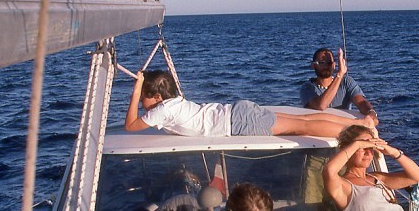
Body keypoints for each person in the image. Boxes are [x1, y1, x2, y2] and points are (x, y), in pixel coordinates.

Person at [125, 70, 376, 139]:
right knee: (305, 121)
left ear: (156, 96)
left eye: (145, 97)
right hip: (237, 112)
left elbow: (131, 126)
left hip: (237, 121)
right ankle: (359, 123)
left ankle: (358, 128)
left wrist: (136, 91)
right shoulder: (173, 104)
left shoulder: (163, 109)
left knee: (304, 127)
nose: (142, 103)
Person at [300, 47, 378, 125]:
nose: (326, 66)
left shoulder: (346, 82)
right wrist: (340, 74)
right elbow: (321, 105)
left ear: (334, 65)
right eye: (322, 62)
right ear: (313, 65)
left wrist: (371, 113)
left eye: (329, 63)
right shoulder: (307, 88)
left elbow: (361, 102)